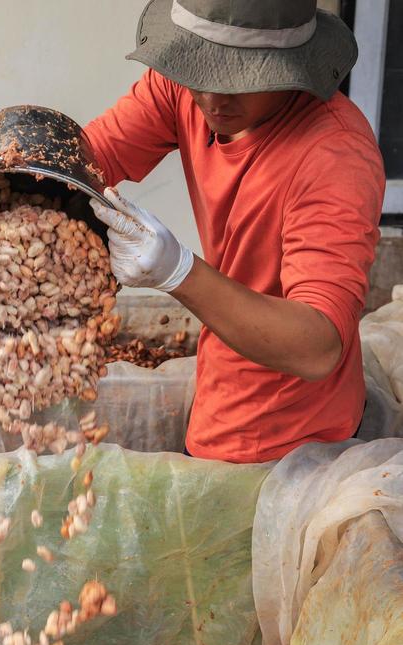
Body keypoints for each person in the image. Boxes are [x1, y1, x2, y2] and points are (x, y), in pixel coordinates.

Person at [84, 0, 386, 463]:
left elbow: (318, 346)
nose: (211, 99)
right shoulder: (184, 87)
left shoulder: (334, 156)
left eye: (239, 79)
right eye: (198, 73)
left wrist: (177, 270)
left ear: (290, 65)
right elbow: (86, 160)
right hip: (224, 372)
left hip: (291, 435)